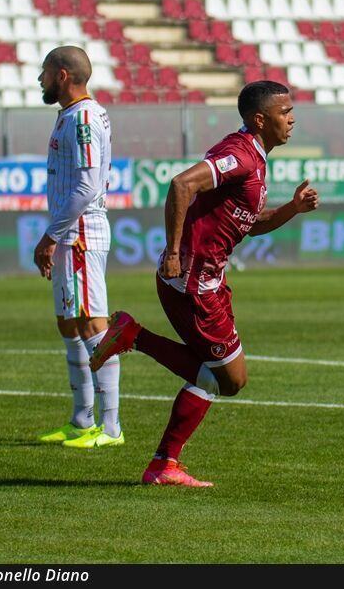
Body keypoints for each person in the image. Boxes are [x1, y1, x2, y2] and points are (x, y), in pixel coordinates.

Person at [91, 80, 319, 486]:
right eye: (286, 112)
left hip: (208, 281)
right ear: (260, 119)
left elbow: (252, 224)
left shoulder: (255, 156)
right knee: (226, 379)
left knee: (222, 378)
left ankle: (163, 460)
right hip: (193, 283)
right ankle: (136, 346)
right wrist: (175, 252)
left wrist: (293, 209)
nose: (293, 118)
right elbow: (182, 184)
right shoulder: (240, 155)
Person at [32, 47, 122, 449]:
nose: (41, 78)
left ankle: (111, 427)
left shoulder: (83, 116)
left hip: (80, 232)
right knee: (70, 325)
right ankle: (82, 419)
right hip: (72, 232)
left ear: (63, 75)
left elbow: (86, 186)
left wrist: (52, 235)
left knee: (91, 324)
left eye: (46, 72)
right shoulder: (74, 114)